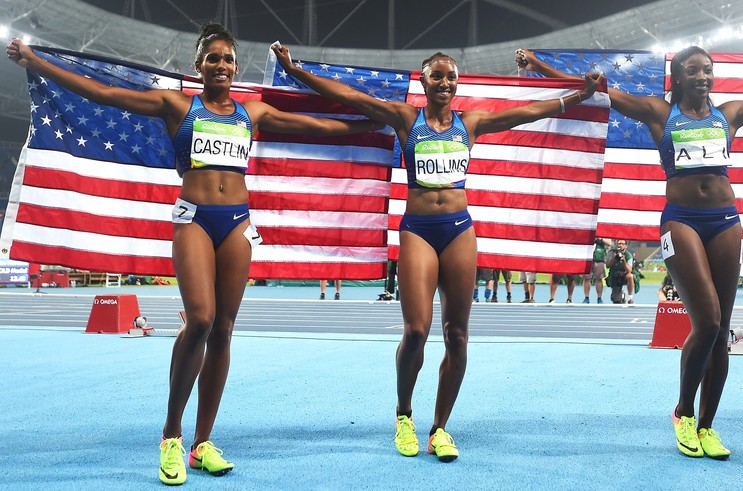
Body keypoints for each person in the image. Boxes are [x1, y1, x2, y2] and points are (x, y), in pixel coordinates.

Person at [7, 24, 382, 485]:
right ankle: (172, 436)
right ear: (198, 66)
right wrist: (35, 61)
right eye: (212, 58)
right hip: (194, 220)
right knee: (200, 319)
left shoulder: (253, 112)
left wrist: (373, 123)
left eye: (227, 59)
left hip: (239, 224)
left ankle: (203, 443)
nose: (220, 65)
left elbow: (319, 127)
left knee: (223, 330)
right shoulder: (177, 105)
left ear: (235, 67)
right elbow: (102, 93)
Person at [517, 36, 743, 460]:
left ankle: (707, 426)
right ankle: (683, 412)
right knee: (709, 320)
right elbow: (597, 90)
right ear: (678, 77)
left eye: (708, 69)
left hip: (726, 222)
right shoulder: (659, 113)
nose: (703, 76)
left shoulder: (729, 115)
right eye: (694, 70)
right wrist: (537, 63)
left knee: (721, 333)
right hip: (680, 220)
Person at [275, 45, 599, 462]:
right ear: (424, 81)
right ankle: (404, 414)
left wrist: (578, 96)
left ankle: (440, 427)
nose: (445, 82)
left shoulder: (471, 123)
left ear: (456, 82)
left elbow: (528, 112)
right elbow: (349, 97)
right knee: (416, 331)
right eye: (437, 76)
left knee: (458, 337)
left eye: (451, 76)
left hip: (460, 231)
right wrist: (293, 70)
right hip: (419, 231)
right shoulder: (405, 118)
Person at [581, 237, 611, 303]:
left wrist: (600, 239)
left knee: (599, 279)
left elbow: (609, 243)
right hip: (588, 258)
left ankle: (599, 298)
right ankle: (586, 297)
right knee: (586, 278)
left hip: (599, 259)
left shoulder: (603, 232)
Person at [606, 240, 635, 304]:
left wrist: (624, 261)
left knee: (630, 276)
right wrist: (613, 257)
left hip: (625, 275)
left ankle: (630, 298)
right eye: (619, 244)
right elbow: (607, 266)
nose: (620, 245)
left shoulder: (628, 255)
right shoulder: (612, 253)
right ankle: (622, 295)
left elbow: (629, 270)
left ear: (626, 246)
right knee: (616, 301)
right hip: (615, 276)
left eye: (622, 244)